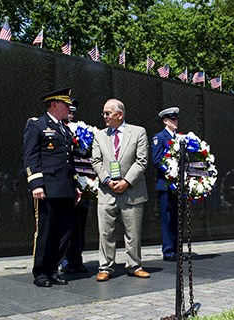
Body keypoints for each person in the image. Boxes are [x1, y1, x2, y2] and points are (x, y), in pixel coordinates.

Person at [22, 87, 78, 287]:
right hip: (47, 188)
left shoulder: (65, 129)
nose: (68, 108)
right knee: (45, 231)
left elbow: (68, 161)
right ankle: (41, 272)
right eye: (65, 104)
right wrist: (36, 184)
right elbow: (30, 156)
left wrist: (75, 187)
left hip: (65, 189)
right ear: (54, 104)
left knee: (63, 232)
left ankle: (53, 269)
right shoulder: (37, 125)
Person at [91, 98, 151, 281]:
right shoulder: (100, 135)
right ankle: (105, 267)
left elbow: (141, 161)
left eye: (108, 113)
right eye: (104, 113)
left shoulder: (138, 132)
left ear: (120, 114)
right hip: (107, 191)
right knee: (105, 232)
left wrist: (126, 181)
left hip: (131, 191)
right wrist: (108, 180)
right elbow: (95, 161)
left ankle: (134, 265)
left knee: (133, 233)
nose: (105, 116)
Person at [60, 100, 90, 274]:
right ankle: (64, 260)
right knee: (65, 225)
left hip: (83, 183)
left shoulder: (83, 132)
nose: (71, 114)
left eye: (73, 112)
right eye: (68, 111)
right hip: (65, 185)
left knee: (80, 225)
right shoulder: (58, 130)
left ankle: (76, 259)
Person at [150, 106, 180, 261]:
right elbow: (156, 160)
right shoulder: (159, 137)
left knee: (176, 217)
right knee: (167, 218)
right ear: (165, 121)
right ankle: (168, 250)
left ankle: (175, 248)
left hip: (178, 184)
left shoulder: (179, 138)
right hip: (166, 183)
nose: (175, 121)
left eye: (176, 119)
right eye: (172, 119)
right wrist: (171, 171)